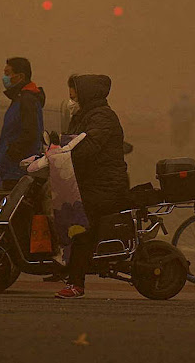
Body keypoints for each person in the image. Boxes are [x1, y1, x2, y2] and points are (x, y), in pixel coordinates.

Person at [55, 74, 129, 299]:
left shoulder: (102, 117)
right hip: (89, 182)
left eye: (73, 95)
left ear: (85, 94)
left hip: (106, 186)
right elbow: (70, 141)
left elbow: (88, 146)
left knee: (81, 223)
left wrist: (64, 156)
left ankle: (77, 283)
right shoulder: (83, 115)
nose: (70, 99)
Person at [0, 57, 45, 191]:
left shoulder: (27, 100)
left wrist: (12, 153)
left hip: (18, 170)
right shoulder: (20, 98)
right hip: (12, 170)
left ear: (20, 76)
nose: (4, 78)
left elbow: (30, 133)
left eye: (8, 74)